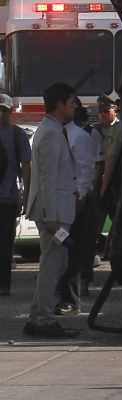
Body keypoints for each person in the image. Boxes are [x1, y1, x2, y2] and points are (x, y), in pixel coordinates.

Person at [23, 83, 79, 338]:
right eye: (72, 102)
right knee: (52, 265)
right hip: (53, 214)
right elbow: (47, 178)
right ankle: (44, 320)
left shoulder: (51, 131)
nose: (76, 106)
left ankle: (37, 317)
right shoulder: (51, 134)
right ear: (60, 104)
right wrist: (52, 218)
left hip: (54, 212)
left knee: (55, 263)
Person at [55, 97, 95, 315]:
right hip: (59, 202)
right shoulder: (54, 133)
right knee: (59, 247)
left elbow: (86, 169)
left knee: (72, 249)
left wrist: (80, 196)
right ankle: (60, 295)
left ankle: (70, 300)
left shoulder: (78, 136)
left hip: (74, 201)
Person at [0, 94, 31, 295]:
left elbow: (26, 168)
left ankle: (4, 284)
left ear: (11, 111)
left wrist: (25, 197)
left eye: (4, 110)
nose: (0, 113)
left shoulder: (18, 135)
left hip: (8, 199)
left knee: (5, 243)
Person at [97, 94, 122, 196]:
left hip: (117, 178)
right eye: (100, 111)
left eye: (106, 111)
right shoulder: (101, 129)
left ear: (115, 112)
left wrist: (104, 188)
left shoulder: (115, 129)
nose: (102, 114)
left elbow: (110, 160)